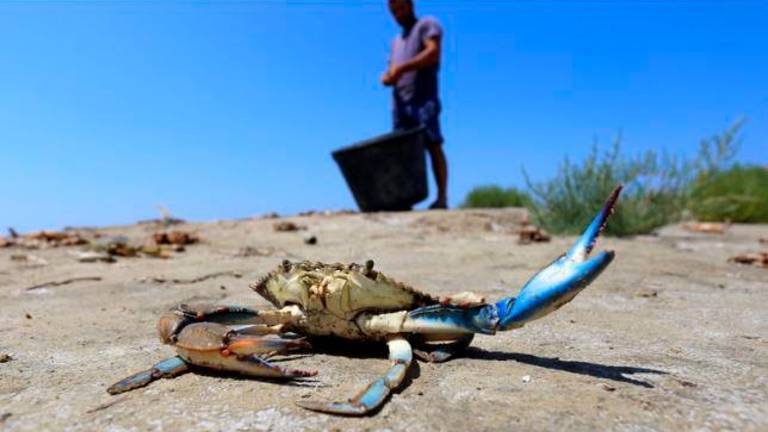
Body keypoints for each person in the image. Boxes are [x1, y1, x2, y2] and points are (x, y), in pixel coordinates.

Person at [382, 0, 448, 209]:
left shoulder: (427, 24)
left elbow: (433, 52)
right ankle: (404, 200)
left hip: (423, 98)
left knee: (433, 145)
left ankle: (442, 198)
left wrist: (401, 69)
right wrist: (388, 77)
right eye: (393, 12)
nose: (397, 14)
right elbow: (391, 69)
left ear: (410, 5)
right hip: (400, 103)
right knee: (402, 152)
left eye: (400, 8)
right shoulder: (396, 41)